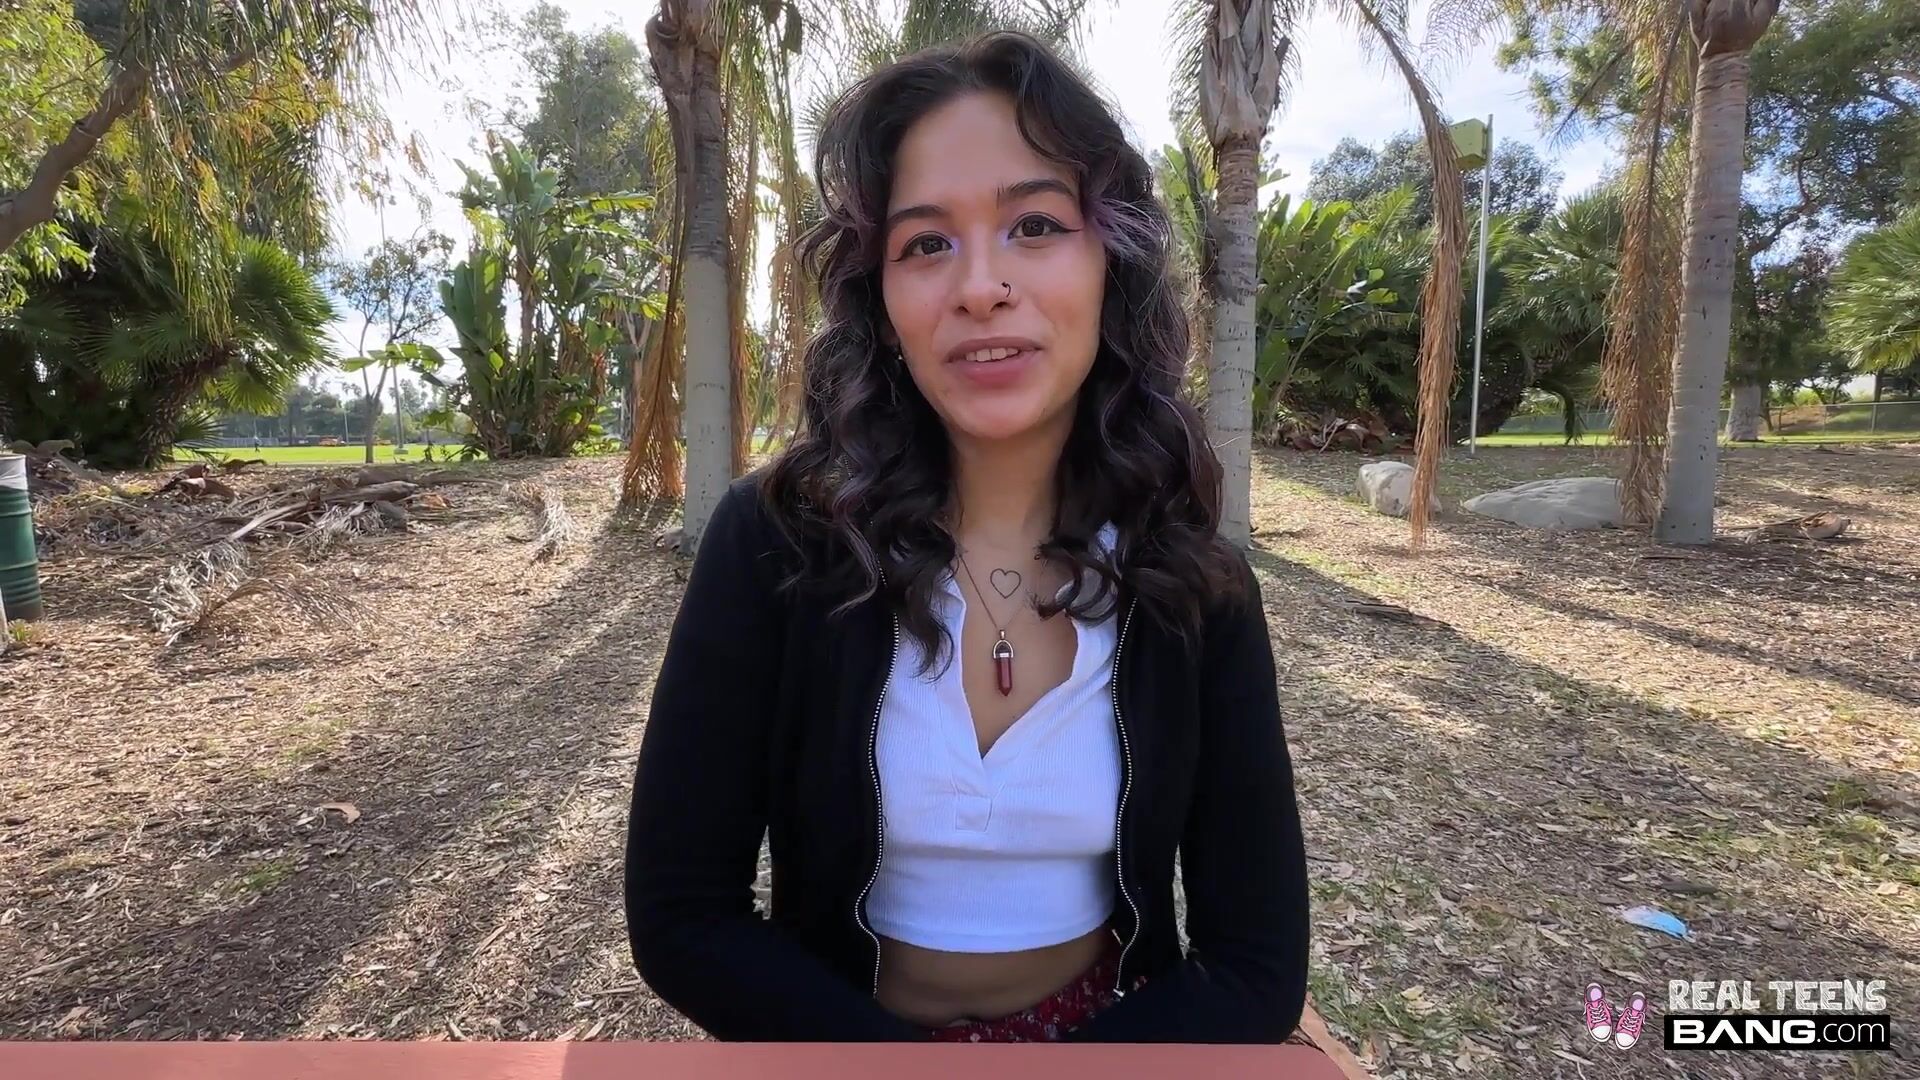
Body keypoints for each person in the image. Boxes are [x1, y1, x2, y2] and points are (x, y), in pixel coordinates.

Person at [624, 30, 1309, 1044]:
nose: (980, 285)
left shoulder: (1191, 581)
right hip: (837, 1048)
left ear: (1109, 262)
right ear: (881, 299)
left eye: (1035, 225)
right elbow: (683, 917)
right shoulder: (775, 546)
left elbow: (1255, 966)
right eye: (926, 243)